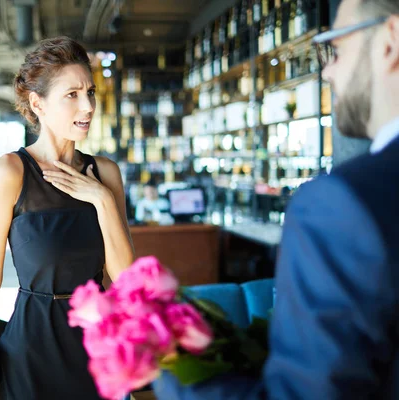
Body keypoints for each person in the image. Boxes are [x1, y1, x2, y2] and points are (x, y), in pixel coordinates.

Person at [153, 0, 399, 398]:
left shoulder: (341, 203)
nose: (327, 70)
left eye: (335, 48)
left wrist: (171, 369)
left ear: (390, 40)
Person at [0, 36, 134, 399]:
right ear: (38, 103)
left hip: (97, 352)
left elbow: (125, 278)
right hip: (31, 350)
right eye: (72, 95)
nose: (88, 106)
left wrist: (100, 198)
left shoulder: (106, 174)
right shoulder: (10, 173)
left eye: (90, 92)